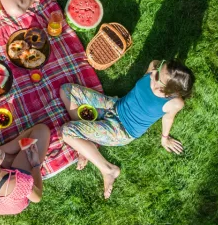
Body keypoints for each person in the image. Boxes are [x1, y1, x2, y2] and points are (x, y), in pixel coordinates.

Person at [60, 60, 195, 199]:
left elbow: (168, 118)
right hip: (114, 105)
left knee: (67, 132)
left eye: (157, 76)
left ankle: (108, 170)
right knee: (67, 90)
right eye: (160, 68)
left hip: (121, 130)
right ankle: (85, 145)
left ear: (165, 90)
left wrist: (164, 139)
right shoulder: (154, 65)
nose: (153, 72)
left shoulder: (174, 103)